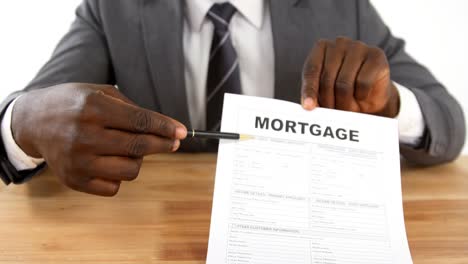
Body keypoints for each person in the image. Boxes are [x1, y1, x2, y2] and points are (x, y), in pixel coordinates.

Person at [0, 0, 464, 196]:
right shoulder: (113, 8)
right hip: (158, 234)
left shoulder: (339, 6)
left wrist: (390, 109)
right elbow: (39, 110)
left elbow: (448, 123)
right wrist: (22, 122)